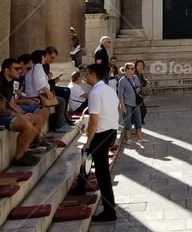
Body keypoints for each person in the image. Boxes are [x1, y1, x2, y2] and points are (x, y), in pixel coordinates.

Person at [75, 63, 119, 222]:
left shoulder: (95, 93)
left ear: (93, 75)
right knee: (88, 158)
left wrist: (88, 140)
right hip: (111, 131)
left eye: (87, 74)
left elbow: (93, 120)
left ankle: (109, 211)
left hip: (101, 134)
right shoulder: (109, 90)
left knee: (102, 173)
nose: (85, 76)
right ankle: (81, 186)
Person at [0, 58, 41, 166]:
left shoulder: (9, 82)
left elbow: (11, 103)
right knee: (27, 125)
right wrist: (21, 117)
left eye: (20, 68)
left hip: (1, 114)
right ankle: (18, 157)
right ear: (6, 70)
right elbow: (2, 111)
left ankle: (25, 151)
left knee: (37, 118)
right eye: (16, 68)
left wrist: (23, 114)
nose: (20, 70)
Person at [25, 49, 70, 132]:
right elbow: (39, 83)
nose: (45, 58)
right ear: (40, 57)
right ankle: (60, 125)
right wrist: (48, 92)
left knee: (60, 100)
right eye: (44, 56)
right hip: (37, 96)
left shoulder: (36, 67)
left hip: (36, 95)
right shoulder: (38, 66)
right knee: (61, 101)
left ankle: (62, 122)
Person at [117, 62, 143, 143]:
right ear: (126, 70)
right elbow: (120, 95)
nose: (133, 70)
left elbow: (139, 88)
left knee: (138, 120)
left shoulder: (136, 78)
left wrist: (138, 91)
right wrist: (122, 106)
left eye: (134, 68)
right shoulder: (122, 81)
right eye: (132, 69)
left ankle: (140, 138)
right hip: (127, 103)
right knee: (127, 123)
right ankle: (128, 139)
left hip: (136, 102)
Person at [134, 60, 149, 125]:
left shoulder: (140, 74)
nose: (141, 67)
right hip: (135, 96)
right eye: (139, 65)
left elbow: (143, 83)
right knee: (142, 111)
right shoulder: (135, 75)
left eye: (142, 65)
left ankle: (138, 125)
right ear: (136, 66)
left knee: (142, 111)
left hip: (140, 95)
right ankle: (137, 126)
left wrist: (145, 82)